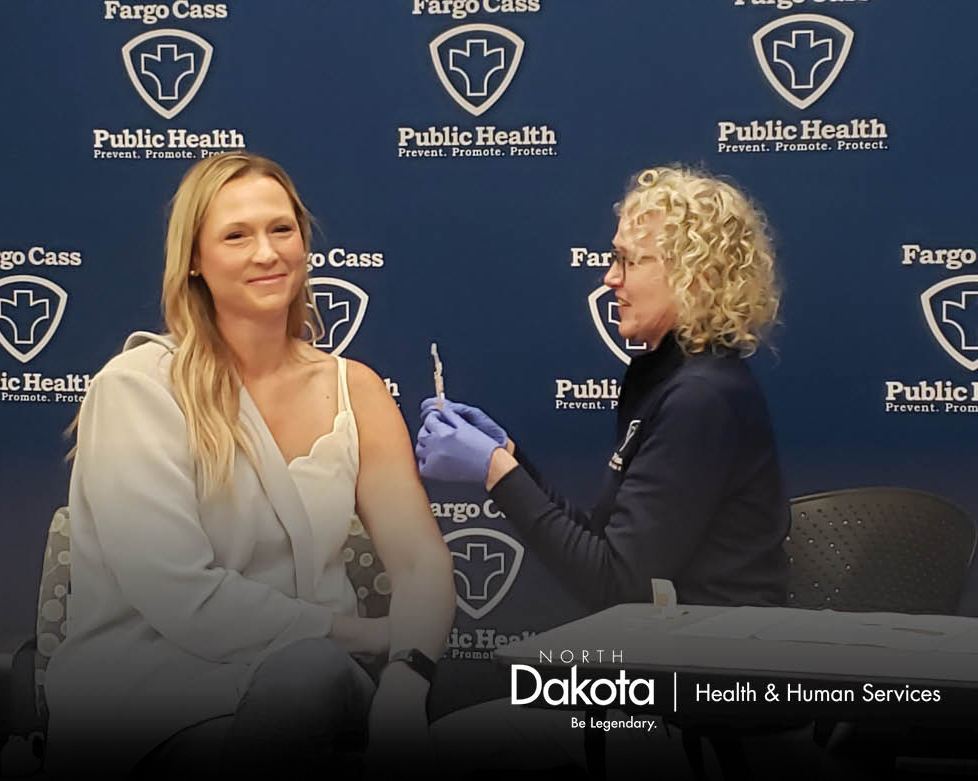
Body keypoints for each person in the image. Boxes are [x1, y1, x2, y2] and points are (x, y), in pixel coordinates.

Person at [44, 153, 456, 779]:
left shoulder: (356, 387)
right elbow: (181, 597)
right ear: (193, 260)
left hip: (320, 695)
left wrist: (406, 678)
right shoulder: (136, 389)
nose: (267, 253)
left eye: (281, 229)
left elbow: (421, 563)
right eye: (236, 236)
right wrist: (370, 637)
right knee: (305, 673)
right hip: (151, 708)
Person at [415, 165, 791, 773]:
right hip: (667, 669)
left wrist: (494, 475)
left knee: (452, 734)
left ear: (691, 274)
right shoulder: (670, 378)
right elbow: (605, 545)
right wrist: (509, 457)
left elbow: (615, 585)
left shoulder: (701, 396)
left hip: (704, 698)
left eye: (629, 261)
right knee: (456, 702)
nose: (610, 279)